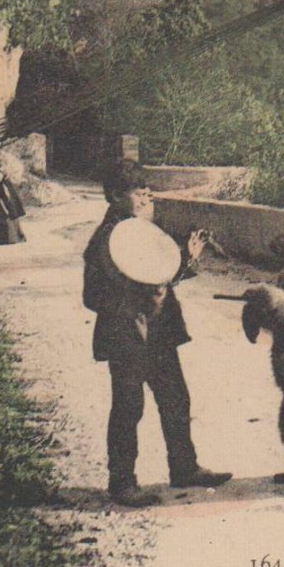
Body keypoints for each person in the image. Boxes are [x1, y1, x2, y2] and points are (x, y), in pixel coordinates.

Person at [82, 161, 231, 507]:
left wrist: (187, 261)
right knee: (128, 408)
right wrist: (135, 301)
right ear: (116, 196)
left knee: (176, 399)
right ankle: (122, 483)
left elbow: (159, 276)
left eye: (149, 193)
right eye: (139, 193)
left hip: (159, 332)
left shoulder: (141, 230)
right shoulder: (106, 239)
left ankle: (184, 468)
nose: (148, 199)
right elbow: (92, 297)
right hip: (127, 336)